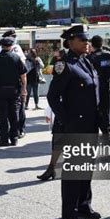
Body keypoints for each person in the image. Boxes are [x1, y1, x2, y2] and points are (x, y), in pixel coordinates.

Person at [47, 25, 101, 219]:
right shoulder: (64, 65)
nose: (87, 43)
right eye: (82, 40)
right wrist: (66, 120)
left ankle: (83, 205)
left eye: (87, 40)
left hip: (90, 124)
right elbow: (53, 97)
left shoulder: (86, 62)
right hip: (74, 125)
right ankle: (69, 213)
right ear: (70, 42)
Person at [0, 36, 27, 146]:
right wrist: (24, 89)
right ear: (11, 46)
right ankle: (14, 138)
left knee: (2, 116)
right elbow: (23, 75)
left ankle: (4, 139)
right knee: (14, 115)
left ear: (1, 46)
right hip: (14, 91)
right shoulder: (16, 58)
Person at [37, 47, 66, 181]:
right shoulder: (62, 66)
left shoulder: (80, 63)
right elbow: (53, 93)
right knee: (58, 139)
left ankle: (54, 168)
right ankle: (52, 168)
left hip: (75, 110)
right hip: (64, 109)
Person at [0, 30, 27, 138]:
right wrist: (24, 87)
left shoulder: (9, 49)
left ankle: (12, 133)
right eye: (12, 37)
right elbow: (23, 71)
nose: (14, 39)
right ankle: (16, 133)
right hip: (15, 86)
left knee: (8, 113)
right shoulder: (14, 50)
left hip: (2, 87)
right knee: (16, 111)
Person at [88, 35, 110, 134]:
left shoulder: (90, 58)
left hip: (95, 88)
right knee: (106, 110)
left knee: (96, 110)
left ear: (92, 45)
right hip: (106, 86)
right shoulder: (109, 55)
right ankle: (106, 131)